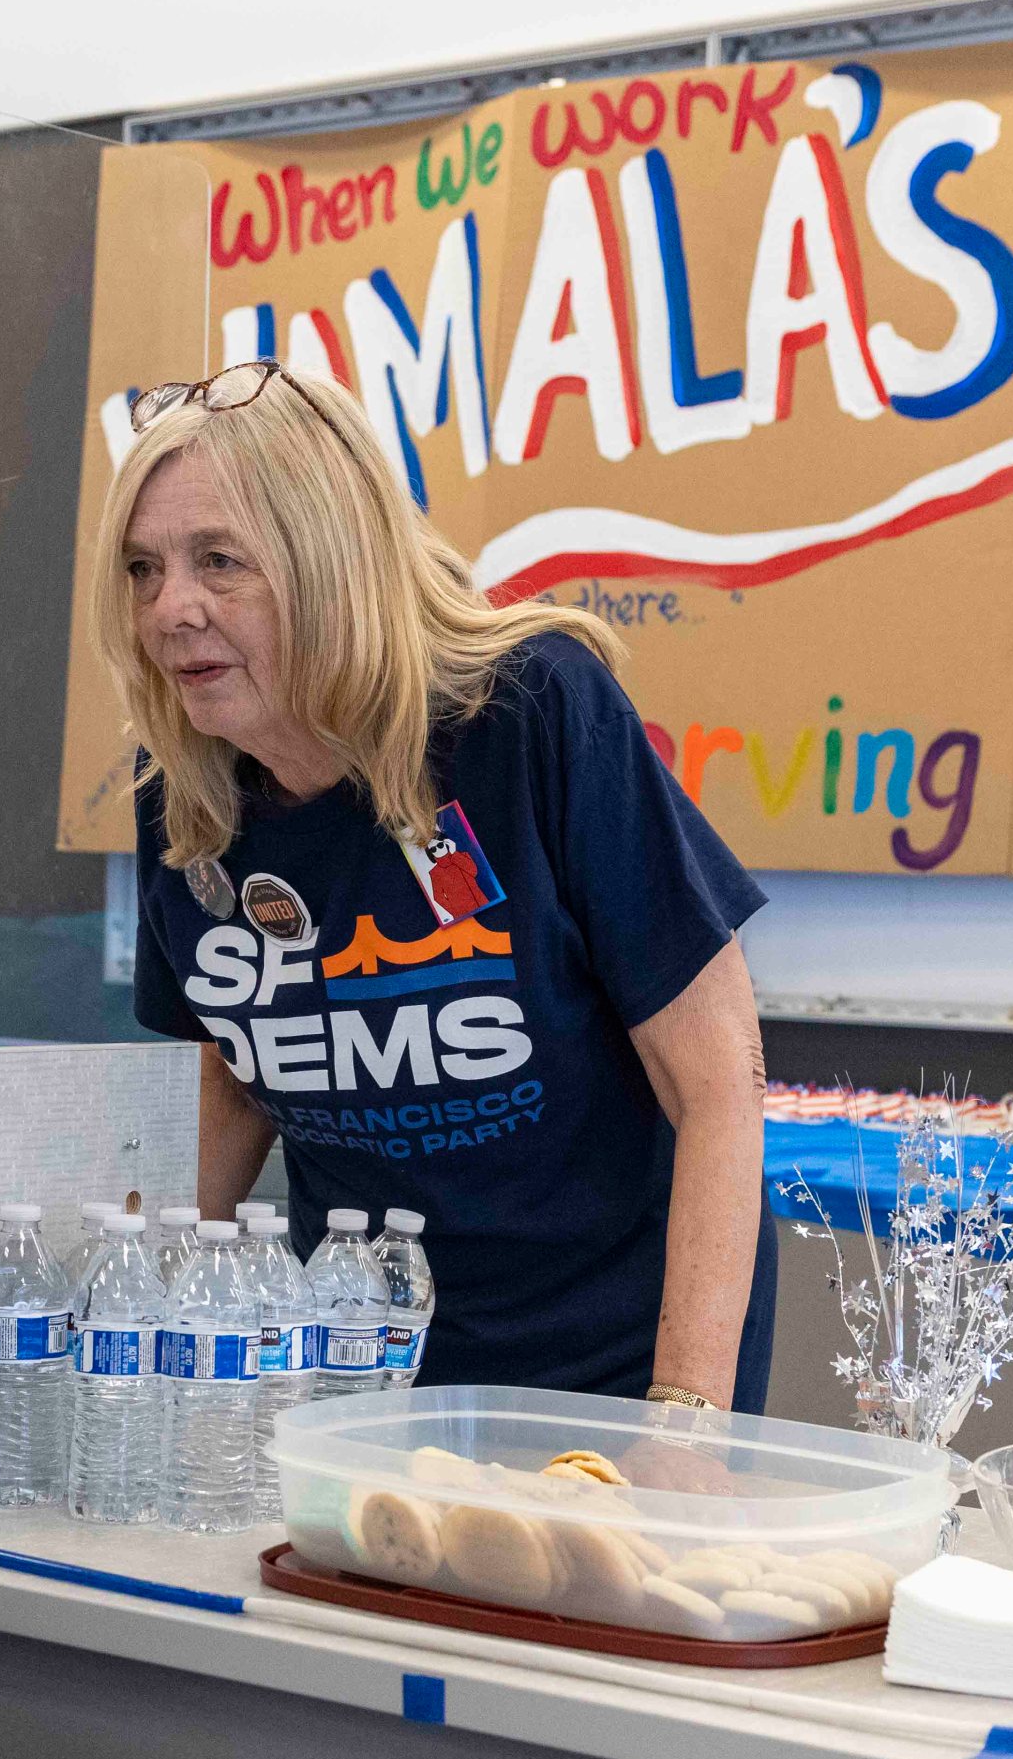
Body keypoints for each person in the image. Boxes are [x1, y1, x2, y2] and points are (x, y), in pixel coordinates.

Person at [96, 361, 776, 1418]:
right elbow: (232, 1082)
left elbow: (719, 1081)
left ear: (328, 559)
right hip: (355, 1368)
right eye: (143, 568)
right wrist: (131, 1337)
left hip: (610, 1367)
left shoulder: (533, 714)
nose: (170, 608)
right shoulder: (185, 790)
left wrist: (683, 1420)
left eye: (218, 560)